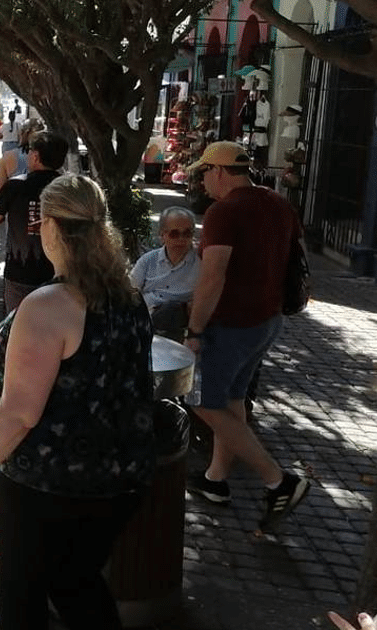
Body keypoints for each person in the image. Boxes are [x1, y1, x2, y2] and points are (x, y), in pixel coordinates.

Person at [0, 175, 155, 630]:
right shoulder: (128, 296)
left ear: (48, 225)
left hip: (48, 487)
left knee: (24, 596)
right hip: (121, 478)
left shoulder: (50, 305)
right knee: (76, 583)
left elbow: (17, 413)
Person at [182, 141, 309, 528]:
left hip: (232, 324)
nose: (201, 181)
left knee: (199, 399)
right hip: (267, 321)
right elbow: (298, 257)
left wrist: (194, 330)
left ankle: (278, 480)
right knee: (234, 397)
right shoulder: (278, 203)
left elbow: (212, 276)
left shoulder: (224, 212)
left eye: (204, 172)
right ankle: (216, 479)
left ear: (220, 172)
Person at [0, 130, 69, 312]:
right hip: (59, 273)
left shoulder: (15, 185)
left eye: (30, 151)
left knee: (15, 325)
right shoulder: (68, 188)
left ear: (36, 157)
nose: (28, 154)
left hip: (20, 272)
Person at [129, 206, 200, 340]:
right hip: (144, 322)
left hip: (178, 328)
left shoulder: (201, 265)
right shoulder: (148, 260)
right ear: (162, 235)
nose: (181, 239)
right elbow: (130, 293)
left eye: (187, 233)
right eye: (174, 234)